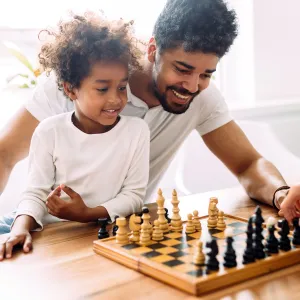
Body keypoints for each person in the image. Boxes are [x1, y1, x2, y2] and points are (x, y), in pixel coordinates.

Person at [0, 1, 299, 235]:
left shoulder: (202, 97)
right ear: (153, 50)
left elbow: (248, 163)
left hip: (116, 230)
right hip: (42, 227)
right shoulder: (84, 78)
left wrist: (280, 193)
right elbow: (4, 154)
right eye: (182, 69)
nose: (193, 86)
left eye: (207, 74)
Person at [0, 13, 150, 260]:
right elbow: (35, 193)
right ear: (71, 89)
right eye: (102, 89)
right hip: (44, 232)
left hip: (95, 235)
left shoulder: (136, 132)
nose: (116, 99)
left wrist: (87, 213)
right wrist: (19, 229)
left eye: (122, 88)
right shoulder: (49, 131)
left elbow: (133, 196)